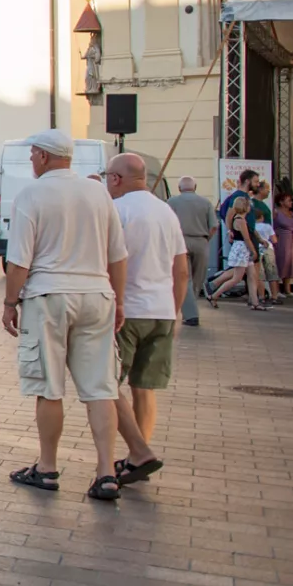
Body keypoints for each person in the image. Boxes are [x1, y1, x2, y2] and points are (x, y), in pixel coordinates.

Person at [3, 130, 145, 502]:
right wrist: (117, 299)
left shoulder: (31, 194)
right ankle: (106, 471)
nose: (31, 160)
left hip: (48, 294)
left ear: (46, 157)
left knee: (48, 386)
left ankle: (48, 467)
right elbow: (118, 254)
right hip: (96, 293)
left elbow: (19, 260)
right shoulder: (98, 192)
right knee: (101, 387)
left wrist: (8, 302)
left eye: (34, 154)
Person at [104, 154, 181, 487]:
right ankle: (138, 457)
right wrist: (174, 310)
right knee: (144, 387)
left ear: (117, 179)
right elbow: (182, 269)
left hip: (128, 310)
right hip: (161, 309)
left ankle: (136, 453)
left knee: (105, 383)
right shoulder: (166, 210)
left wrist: (113, 303)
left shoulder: (118, 211)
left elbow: (110, 262)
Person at [166, 176, 217, 326]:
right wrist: (206, 239)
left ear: (179, 188)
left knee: (184, 277)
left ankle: (190, 312)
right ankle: (191, 309)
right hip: (201, 241)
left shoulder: (171, 202)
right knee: (197, 278)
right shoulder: (206, 202)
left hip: (179, 241)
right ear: (195, 187)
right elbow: (214, 226)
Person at [208, 190, 267, 310]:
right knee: (237, 278)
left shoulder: (238, 219)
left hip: (241, 248)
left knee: (252, 275)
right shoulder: (240, 221)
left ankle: (255, 302)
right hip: (242, 249)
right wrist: (253, 251)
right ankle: (214, 295)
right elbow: (247, 238)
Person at [271, 190, 293, 301]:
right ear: (281, 202)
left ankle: (287, 289)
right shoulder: (276, 213)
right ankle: (277, 289)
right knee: (280, 264)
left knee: (289, 264)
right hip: (281, 240)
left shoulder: (292, 213)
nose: (291, 202)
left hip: (291, 241)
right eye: (289, 200)